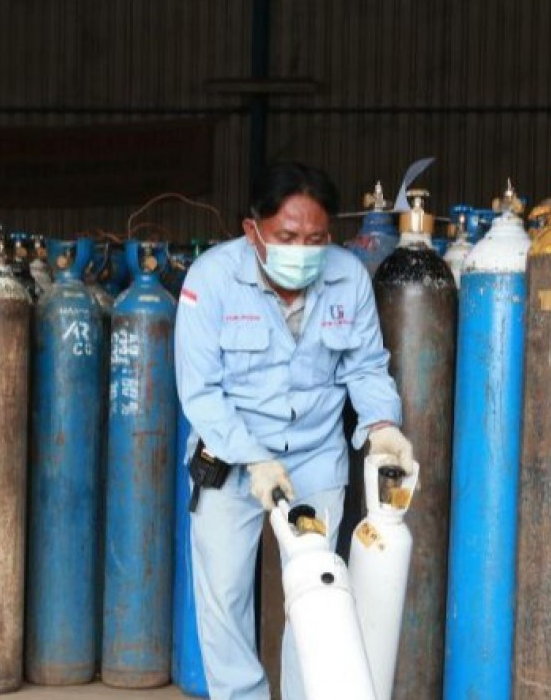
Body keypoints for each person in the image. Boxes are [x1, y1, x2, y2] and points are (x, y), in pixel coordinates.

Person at [174, 162, 416, 700]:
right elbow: (200, 392)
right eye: (287, 237)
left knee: (314, 598)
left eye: (316, 238)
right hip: (231, 461)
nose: (303, 250)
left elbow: (365, 367)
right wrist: (252, 458)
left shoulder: (348, 277)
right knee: (224, 600)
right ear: (252, 230)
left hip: (313, 458)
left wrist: (381, 426)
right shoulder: (210, 281)